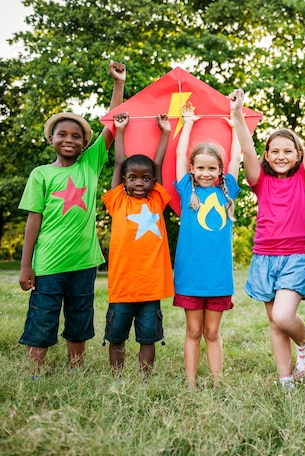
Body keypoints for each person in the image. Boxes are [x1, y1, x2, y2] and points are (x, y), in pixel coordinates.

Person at [17, 62, 126, 377]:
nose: (70, 140)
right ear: (51, 138)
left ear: (83, 143)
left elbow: (110, 126)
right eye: (62, 134)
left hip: (84, 262)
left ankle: (74, 368)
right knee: (43, 317)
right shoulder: (41, 174)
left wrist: (118, 84)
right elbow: (33, 223)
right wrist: (26, 265)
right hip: (48, 263)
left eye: (77, 136)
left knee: (80, 317)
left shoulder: (89, 165)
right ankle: (34, 371)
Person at [229, 81, 305, 389]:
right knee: (274, 324)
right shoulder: (260, 181)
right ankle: (285, 381)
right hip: (264, 258)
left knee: (285, 317)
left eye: (288, 151)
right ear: (267, 155)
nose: (281, 156)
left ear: (297, 155)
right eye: (275, 151)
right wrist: (236, 114)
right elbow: (246, 147)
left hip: (296, 257)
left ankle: (304, 347)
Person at [173, 102, 241, 390]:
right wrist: (188, 122)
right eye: (200, 167)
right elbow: (179, 153)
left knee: (212, 332)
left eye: (211, 168)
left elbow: (237, 156)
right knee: (193, 330)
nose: (205, 172)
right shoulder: (187, 189)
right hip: (190, 276)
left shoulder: (227, 192)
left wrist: (236, 127)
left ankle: (217, 382)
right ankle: (190, 384)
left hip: (218, 277)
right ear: (192, 168)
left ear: (219, 170)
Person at [102, 112, 174, 377]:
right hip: (122, 287)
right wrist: (119, 130)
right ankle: (117, 377)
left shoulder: (156, 200)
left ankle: (145, 379)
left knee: (148, 338)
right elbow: (119, 161)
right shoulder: (118, 201)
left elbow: (157, 162)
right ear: (124, 180)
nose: (139, 183)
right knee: (116, 337)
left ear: (153, 182)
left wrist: (165, 132)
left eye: (146, 179)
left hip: (150, 288)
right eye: (133, 178)